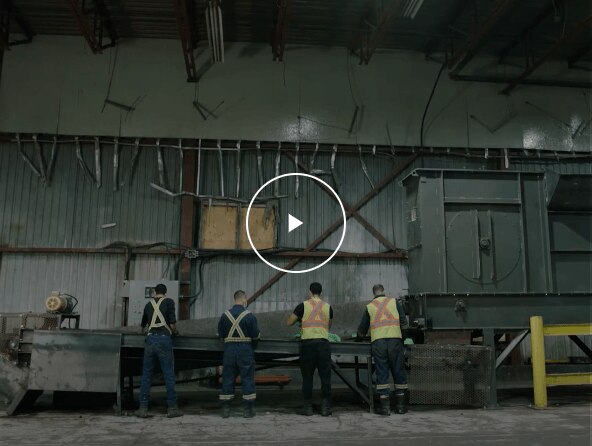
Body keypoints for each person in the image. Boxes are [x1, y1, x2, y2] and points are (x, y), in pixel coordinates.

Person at [357, 284, 408, 416]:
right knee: (398, 371)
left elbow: (362, 329)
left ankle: (385, 409)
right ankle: (401, 407)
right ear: (384, 291)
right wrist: (404, 339)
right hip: (394, 341)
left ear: (373, 293)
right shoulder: (394, 302)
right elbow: (403, 322)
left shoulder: (370, 306)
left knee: (382, 372)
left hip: (378, 343)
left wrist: (359, 336)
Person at [135, 283, 183, 418]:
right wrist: (175, 332)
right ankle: (172, 408)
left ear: (155, 292)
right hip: (164, 340)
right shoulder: (169, 302)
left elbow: (142, 327)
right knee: (168, 374)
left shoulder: (148, 305)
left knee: (147, 375)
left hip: (150, 341)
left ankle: (143, 408)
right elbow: (173, 323)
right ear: (165, 293)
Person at [286, 282, 333, 416]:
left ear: (309, 292)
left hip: (307, 346)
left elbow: (289, 322)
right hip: (323, 345)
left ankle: (307, 408)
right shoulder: (328, 307)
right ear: (321, 292)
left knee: (307, 378)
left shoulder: (303, 306)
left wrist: (301, 321)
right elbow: (328, 326)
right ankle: (325, 408)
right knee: (325, 378)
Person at [217, 290, 260, 418]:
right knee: (247, 378)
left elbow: (221, 335)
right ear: (244, 299)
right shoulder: (250, 316)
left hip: (229, 350)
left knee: (228, 378)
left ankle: (225, 409)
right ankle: (248, 410)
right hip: (245, 350)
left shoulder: (225, 316)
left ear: (234, 299)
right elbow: (256, 336)